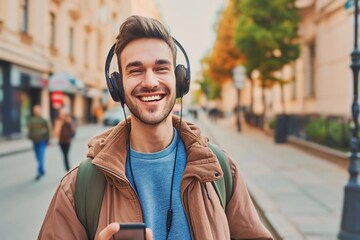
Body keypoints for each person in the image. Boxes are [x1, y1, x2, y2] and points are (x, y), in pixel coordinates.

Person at [38, 15, 273, 240]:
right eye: (136, 70)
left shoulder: (221, 171)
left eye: (161, 68)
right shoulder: (79, 186)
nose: (150, 82)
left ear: (180, 80)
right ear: (118, 86)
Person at [27, 104, 50, 181]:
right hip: (34, 141)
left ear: (40, 111)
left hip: (42, 141)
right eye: (35, 110)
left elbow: (48, 131)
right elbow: (29, 130)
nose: (36, 111)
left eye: (37, 110)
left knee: (40, 156)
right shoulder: (31, 120)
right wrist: (30, 136)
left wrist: (48, 140)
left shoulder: (43, 120)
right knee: (37, 157)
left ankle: (39, 173)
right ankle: (42, 169)